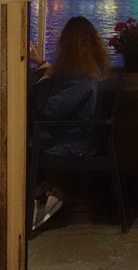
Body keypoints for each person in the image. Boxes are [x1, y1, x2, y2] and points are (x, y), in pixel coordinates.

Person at [29, 17, 112, 230]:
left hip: (72, 144)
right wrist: (42, 65)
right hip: (87, 139)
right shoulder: (94, 70)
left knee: (24, 145)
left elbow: (49, 110)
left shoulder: (79, 78)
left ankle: (45, 196)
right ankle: (48, 191)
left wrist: (44, 78)